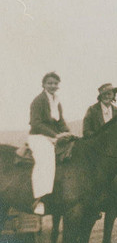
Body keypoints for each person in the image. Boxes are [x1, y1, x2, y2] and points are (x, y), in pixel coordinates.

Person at [28, 72, 71, 215]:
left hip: (54, 137)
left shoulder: (56, 101)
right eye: (50, 83)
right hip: (38, 136)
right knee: (46, 158)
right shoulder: (38, 101)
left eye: (55, 83)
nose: (53, 86)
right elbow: (35, 123)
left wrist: (68, 133)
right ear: (44, 84)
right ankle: (40, 199)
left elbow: (61, 121)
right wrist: (56, 135)